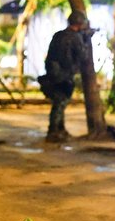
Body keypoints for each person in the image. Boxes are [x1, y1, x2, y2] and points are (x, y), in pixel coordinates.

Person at [38, 10, 89, 142]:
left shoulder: (58, 35)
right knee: (60, 103)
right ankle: (53, 131)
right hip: (64, 76)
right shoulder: (75, 38)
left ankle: (59, 129)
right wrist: (86, 39)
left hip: (53, 74)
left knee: (60, 102)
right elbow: (83, 56)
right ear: (79, 23)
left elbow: (50, 56)